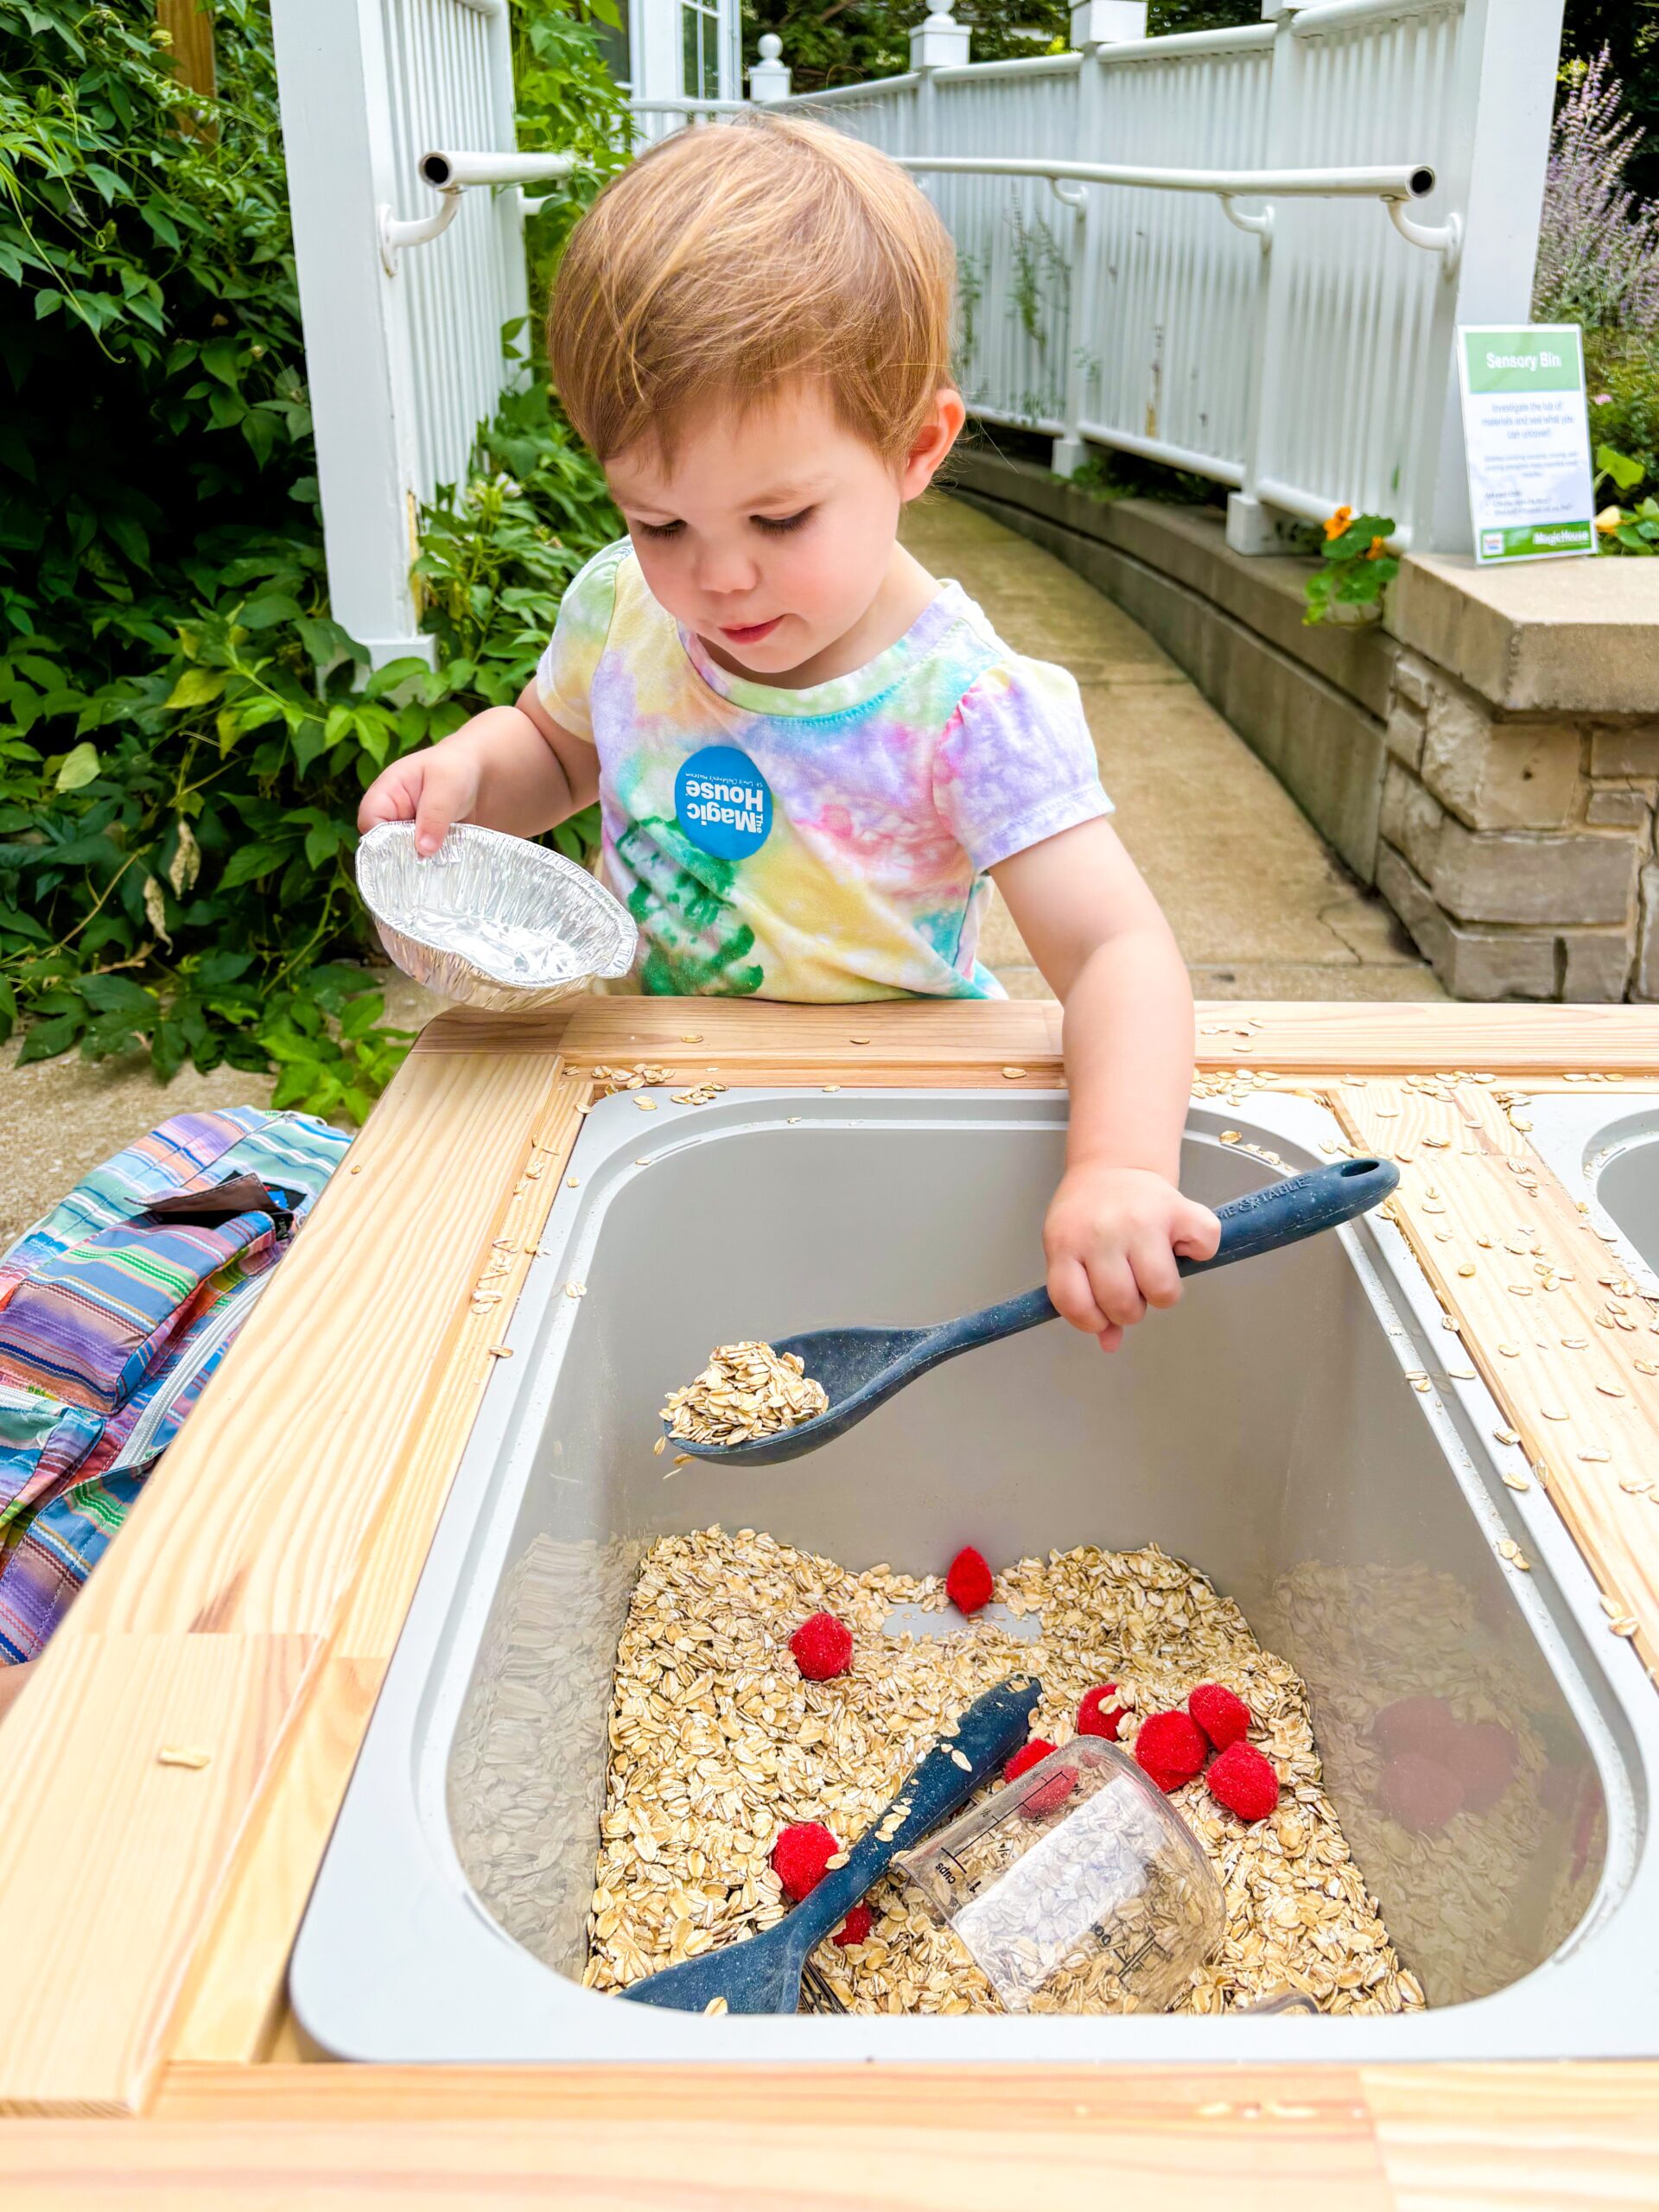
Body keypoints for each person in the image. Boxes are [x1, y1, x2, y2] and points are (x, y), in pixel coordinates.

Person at [359, 114, 1219, 1347]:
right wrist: (466, 778)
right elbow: (556, 751)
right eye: (663, 523)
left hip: (896, 1119)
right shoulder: (622, 605)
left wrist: (1121, 1166)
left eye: (778, 519)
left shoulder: (968, 708)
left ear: (917, 447)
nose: (719, 580)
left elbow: (1118, 952)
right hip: (662, 1086)